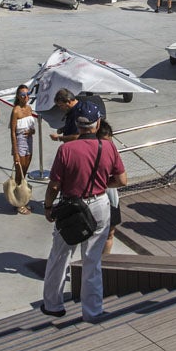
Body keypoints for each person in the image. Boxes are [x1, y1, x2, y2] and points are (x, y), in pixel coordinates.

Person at [41, 105, 127, 321]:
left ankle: (53, 305)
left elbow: (54, 186)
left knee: (60, 255)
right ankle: (93, 310)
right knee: (92, 259)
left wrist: (48, 207)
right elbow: (121, 180)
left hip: (72, 207)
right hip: (99, 204)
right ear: (97, 124)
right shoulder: (108, 147)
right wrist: (101, 182)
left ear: (78, 126)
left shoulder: (66, 150)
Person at [9, 85, 36, 213]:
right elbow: (13, 132)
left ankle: (21, 197)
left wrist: (32, 131)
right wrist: (15, 152)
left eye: (27, 94)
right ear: (18, 97)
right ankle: (18, 202)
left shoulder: (29, 109)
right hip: (20, 141)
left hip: (29, 141)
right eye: (22, 95)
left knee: (25, 171)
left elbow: (33, 128)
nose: (26, 97)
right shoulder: (16, 111)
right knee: (19, 171)